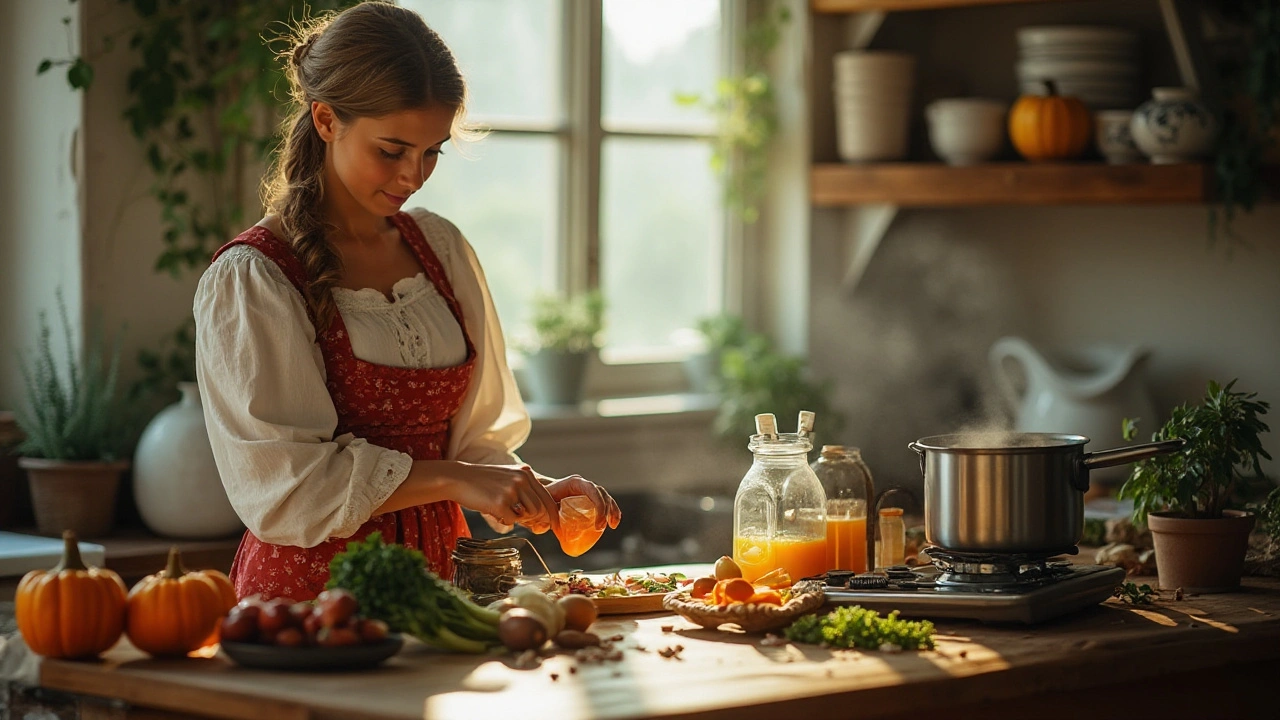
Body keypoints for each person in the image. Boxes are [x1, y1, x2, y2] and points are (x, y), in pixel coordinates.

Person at [194, 1, 620, 601]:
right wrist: (458, 480)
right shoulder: (256, 277)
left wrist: (535, 491)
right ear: (324, 120)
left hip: (440, 582)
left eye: (432, 151)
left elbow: (472, 445)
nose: (413, 175)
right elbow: (289, 489)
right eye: (391, 150)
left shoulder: (439, 248)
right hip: (315, 596)